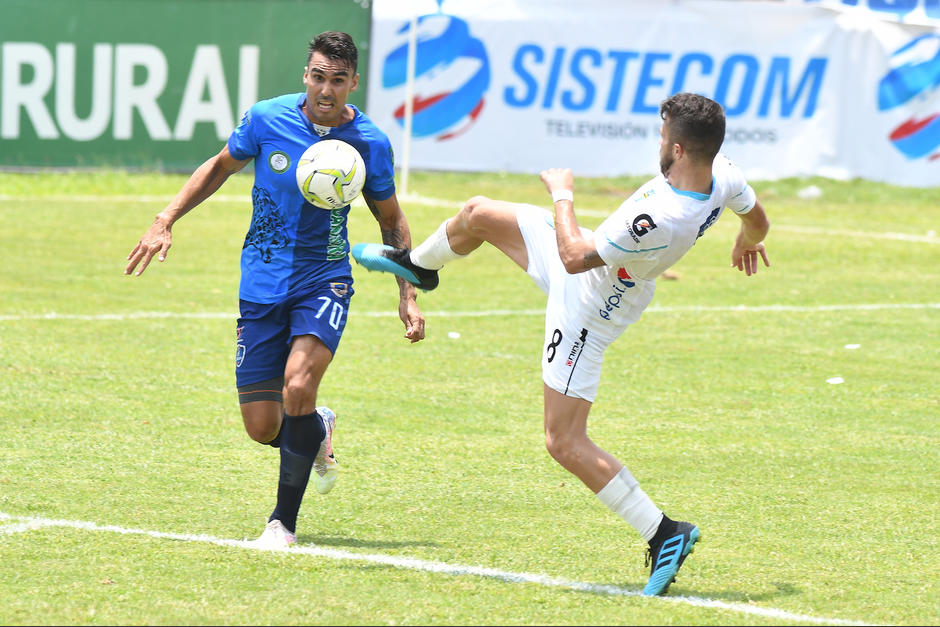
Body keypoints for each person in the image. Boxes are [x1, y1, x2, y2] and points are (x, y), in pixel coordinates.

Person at [352, 92, 770, 595]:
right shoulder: (722, 173)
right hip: (600, 260)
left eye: (662, 137)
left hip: (590, 308)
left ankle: (664, 533)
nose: (658, 143)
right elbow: (758, 218)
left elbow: (573, 257)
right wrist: (748, 238)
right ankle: (419, 265)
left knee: (563, 440)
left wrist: (562, 192)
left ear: (679, 150)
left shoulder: (661, 215)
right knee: (478, 213)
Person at [125, 31, 426, 549]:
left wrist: (408, 292)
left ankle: (281, 524)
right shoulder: (267, 118)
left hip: (324, 278)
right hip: (261, 280)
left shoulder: (369, 143)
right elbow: (220, 166)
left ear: (354, 82)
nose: (325, 91)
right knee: (262, 426)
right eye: (317, 77)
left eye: (337, 80)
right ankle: (315, 429)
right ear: (304, 76)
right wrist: (166, 217)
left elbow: (391, 221)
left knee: (298, 387)